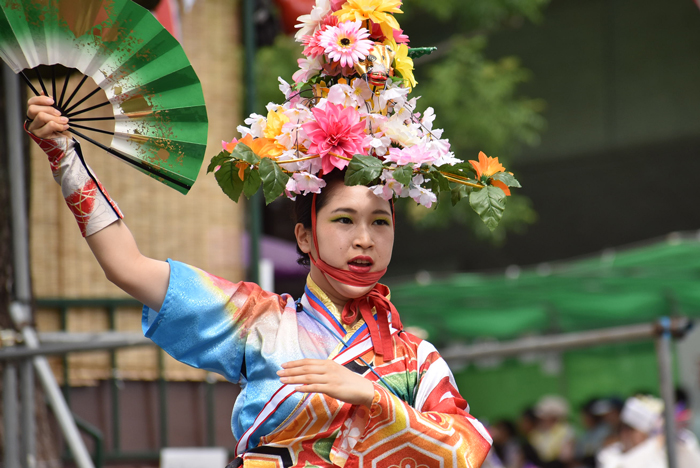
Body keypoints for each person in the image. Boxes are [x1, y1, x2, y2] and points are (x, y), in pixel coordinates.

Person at [25, 94, 493, 467]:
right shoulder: (261, 323)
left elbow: (469, 448)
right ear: (304, 236)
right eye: (345, 221)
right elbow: (126, 267)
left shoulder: (416, 358)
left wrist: (372, 396)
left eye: (381, 222)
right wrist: (64, 157)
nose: (365, 240)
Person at [596, 394, 700, 468]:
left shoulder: (661, 449)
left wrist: (676, 438)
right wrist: (655, 443)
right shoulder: (609, 454)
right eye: (626, 429)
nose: (625, 434)